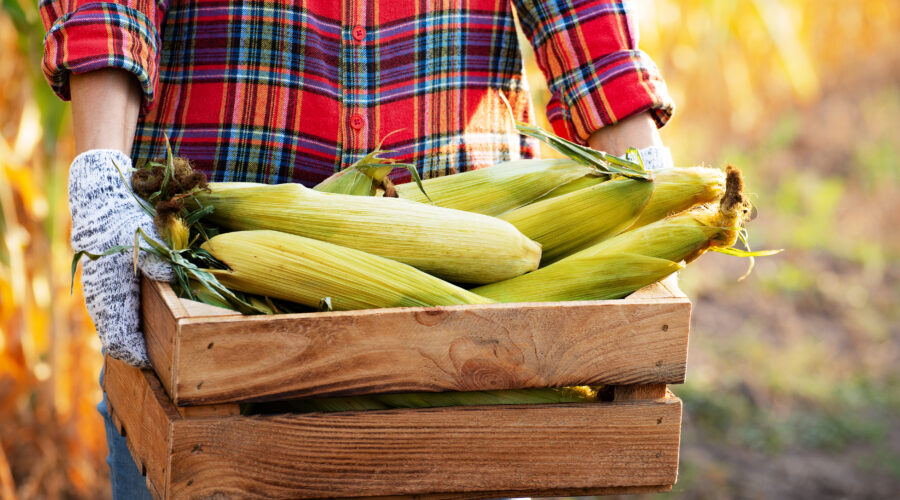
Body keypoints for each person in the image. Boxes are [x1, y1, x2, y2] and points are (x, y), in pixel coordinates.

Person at [41, 1, 674, 497]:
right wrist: (101, 169)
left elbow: (585, 17)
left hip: (475, 307)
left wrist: (647, 177)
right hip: (211, 282)